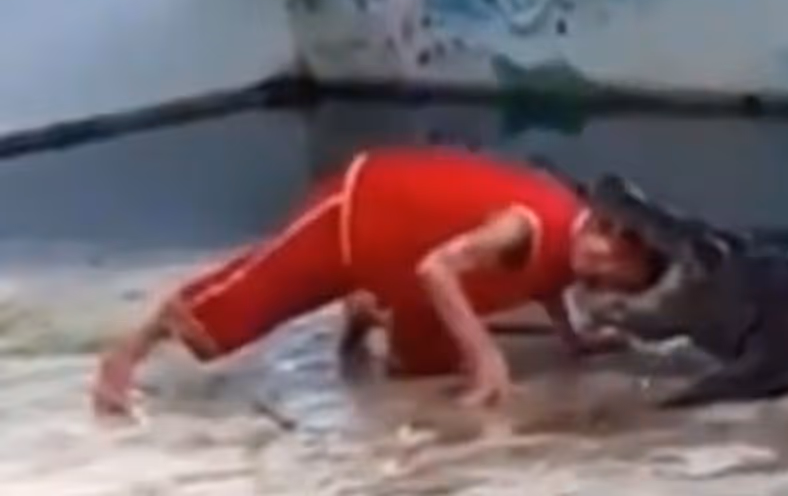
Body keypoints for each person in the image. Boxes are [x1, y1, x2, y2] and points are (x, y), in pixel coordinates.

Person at [91, 146, 657, 420]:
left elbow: (549, 276)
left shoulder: (572, 240)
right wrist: (488, 355)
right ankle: (127, 354)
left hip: (408, 250)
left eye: (613, 285)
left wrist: (574, 338)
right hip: (359, 211)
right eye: (610, 269)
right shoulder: (526, 225)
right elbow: (439, 268)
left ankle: (371, 307)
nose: (602, 280)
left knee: (424, 368)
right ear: (607, 234)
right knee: (239, 307)